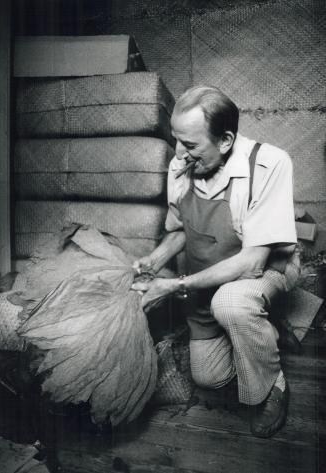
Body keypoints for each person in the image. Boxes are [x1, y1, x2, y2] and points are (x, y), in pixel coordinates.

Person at [131, 85, 300, 438]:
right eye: (177, 140)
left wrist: (175, 285)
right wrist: (153, 260)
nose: (179, 153)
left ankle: (274, 386)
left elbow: (253, 262)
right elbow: (180, 230)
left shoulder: (269, 164)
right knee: (209, 377)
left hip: (263, 271)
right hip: (208, 276)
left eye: (190, 145)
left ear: (224, 140)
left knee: (232, 302)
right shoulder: (181, 167)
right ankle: (259, 335)